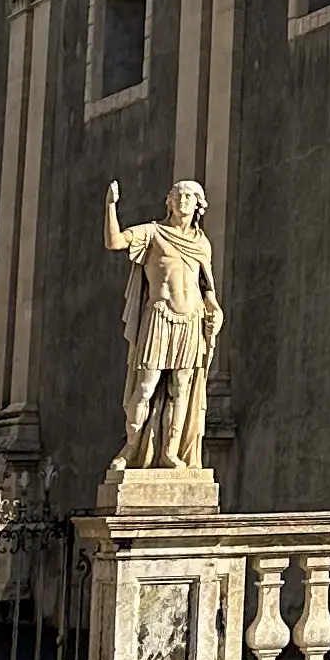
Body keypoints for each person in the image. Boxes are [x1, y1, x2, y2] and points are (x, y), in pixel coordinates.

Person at [104, 178, 224, 479]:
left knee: (181, 388)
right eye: (178, 195)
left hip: (191, 319)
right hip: (159, 316)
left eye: (190, 197)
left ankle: (170, 451)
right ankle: (131, 448)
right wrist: (110, 207)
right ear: (169, 202)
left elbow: (207, 288)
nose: (183, 200)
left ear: (198, 205)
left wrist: (215, 309)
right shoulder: (153, 233)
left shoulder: (202, 244)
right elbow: (115, 242)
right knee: (145, 387)